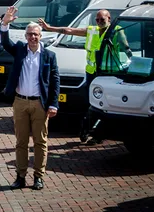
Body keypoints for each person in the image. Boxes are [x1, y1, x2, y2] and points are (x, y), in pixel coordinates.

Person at [38, 9, 131, 142]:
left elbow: (126, 48)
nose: (99, 22)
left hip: (108, 73)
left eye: (102, 20)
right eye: (97, 20)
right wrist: (49, 28)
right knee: (91, 103)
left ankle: (98, 134)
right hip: (91, 72)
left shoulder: (116, 30)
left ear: (109, 19)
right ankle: (88, 130)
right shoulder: (91, 30)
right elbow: (69, 31)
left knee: (105, 104)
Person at [0, 6, 60, 191]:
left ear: (40, 36)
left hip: (39, 104)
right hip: (20, 102)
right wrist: (4, 23)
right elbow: (5, 43)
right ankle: (20, 176)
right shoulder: (19, 50)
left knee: (40, 142)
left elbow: (55, 81)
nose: (32, 37)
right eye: (29, 34)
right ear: (25, 36)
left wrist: (53, 104)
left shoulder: (49, 55)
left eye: (35, 34)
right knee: (21, 142)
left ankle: (38, 177)